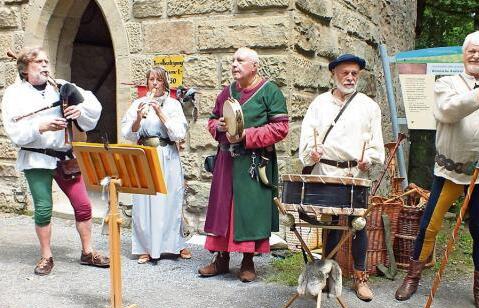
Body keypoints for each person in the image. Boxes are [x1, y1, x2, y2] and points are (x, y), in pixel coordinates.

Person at [394, 31, 479, 308]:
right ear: (464, 55)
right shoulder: (446, 83)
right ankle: (412, 278)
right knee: (429, 226)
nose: (476, 56)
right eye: (472, 51)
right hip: (448, 172)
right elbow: (448, 111)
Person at [1, 47, 109, 275]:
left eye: (46, 60)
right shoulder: (14, 94)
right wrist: (41, 126)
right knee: (43, 209)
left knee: (83, 205)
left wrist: (80, 110)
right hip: (36, 158)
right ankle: (46, 256)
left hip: (65, 157)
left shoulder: (59, 85)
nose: (44, 65)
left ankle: (88, 252)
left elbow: (92, 104)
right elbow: (13, 128)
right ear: (25, 69)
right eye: (38, 61)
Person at [298, 53, 385, 301]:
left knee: (358, 224)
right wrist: (311, 153)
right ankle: (327, 274)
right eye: (344, 73)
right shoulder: (319, 104)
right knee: (331, 223)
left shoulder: (369, 106)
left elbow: (375, 143)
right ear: (333, 75)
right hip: (325, 171)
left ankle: (360, 277)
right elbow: (307, 137)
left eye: (354, 74)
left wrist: (368, 158)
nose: (349, 78)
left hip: (354, 173)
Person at [198, 47, 289, 282]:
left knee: (250, 212)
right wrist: (216, 127)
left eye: (240, 61)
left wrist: (247, 135)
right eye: (233, 61)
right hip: (227, 161)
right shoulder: (226, 92)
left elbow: (281, 128)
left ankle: (248, 261)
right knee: (223, 210)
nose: (234, 65)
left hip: (254, 163)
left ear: (254, 66)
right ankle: (222, 259)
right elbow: (212, 119)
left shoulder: (270, 92)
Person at [121, 66, 191, 264]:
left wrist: (160, 112)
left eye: (158, 80)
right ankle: (145, 247)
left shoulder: (173, 105)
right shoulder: (138, 103)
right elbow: (128, 133)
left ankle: (173, 245)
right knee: (144, 202)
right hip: (145, 154)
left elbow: (178, 134)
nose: (154, 83)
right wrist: (137, 118)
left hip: (166, 155)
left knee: (168, 200)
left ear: (165, 83)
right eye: (151, 79)